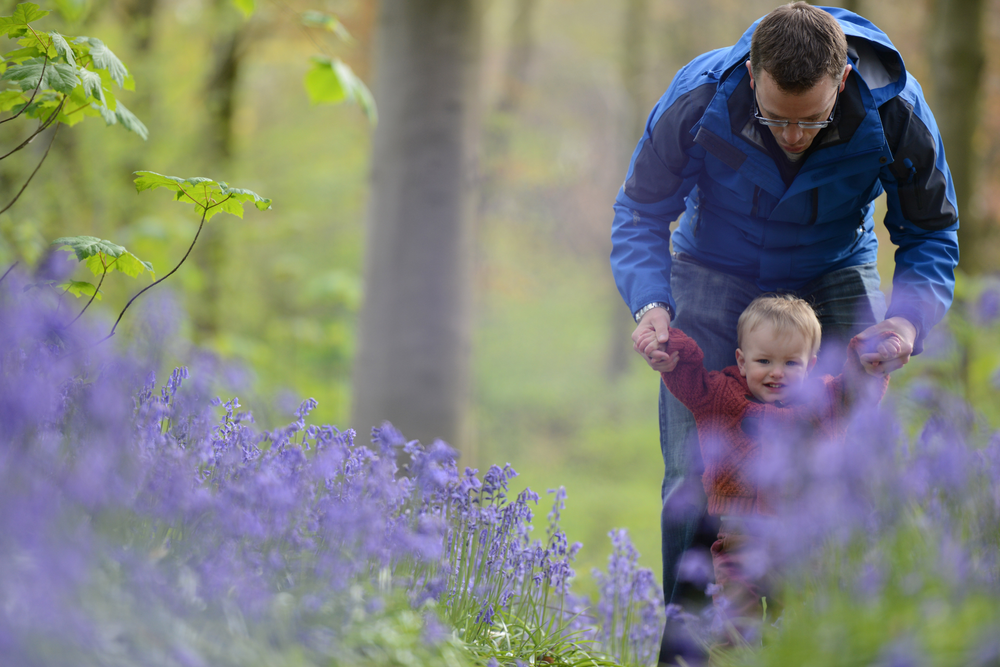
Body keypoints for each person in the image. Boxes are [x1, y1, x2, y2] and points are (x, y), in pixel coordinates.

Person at [608, 3, 959, 664]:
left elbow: (931, 229)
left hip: (833, 270)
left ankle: (831, 642)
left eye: (812, 119)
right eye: (776, 118)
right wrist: (650, 302)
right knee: (694, 469)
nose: (792, 136)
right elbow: (642, 208)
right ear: (750, 73)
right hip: (713, 267)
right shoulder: (697, 97)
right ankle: (686, 650)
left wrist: (910, 319)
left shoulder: (896, 111)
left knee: (850, 464)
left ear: (846, 79)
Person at [651, 294, 893, 641]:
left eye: (791, 364)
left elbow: (855, 389)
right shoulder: (721, 396)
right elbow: (690, 378)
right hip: (739, 541)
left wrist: (868, 356)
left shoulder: (823, 401)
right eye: (764, 360)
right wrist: (670, 347)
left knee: (799, 624)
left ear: (810, 366)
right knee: (733, 627)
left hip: (803, 541)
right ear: (742, 360)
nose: (777, 372)